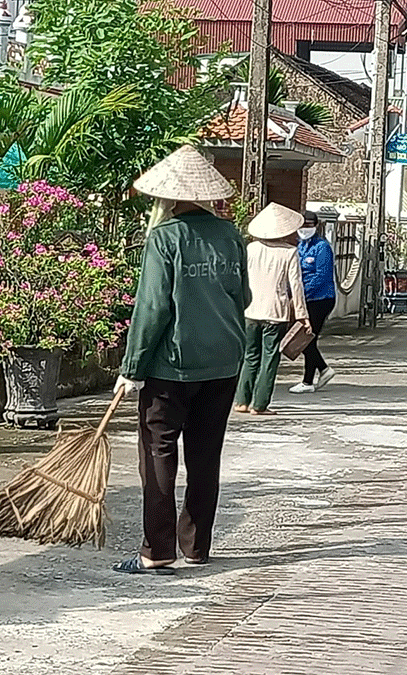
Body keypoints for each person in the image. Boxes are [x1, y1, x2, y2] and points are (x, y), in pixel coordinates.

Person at [111, 145, 250, 575]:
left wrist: (131, 369)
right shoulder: (230, 236)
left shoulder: (165, 238)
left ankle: (157, 550)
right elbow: (242, 296)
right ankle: (197, 547)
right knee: (206, 455)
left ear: (167, 197)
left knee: (158, 452)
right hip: (225, 361)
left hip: (172, 365)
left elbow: (152, 308)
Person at [235, 203, 309, 416]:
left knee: (250, 356)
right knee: (270, 358)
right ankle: (259, 405)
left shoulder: (250, 248)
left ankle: (241, 400)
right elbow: (296, 286)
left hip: (250, 310)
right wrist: (303, 315)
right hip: (275, 313)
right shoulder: (289, 253)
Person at [290, 211, 336, 393]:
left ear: (316, 226)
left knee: (307, 338)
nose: (304, 229)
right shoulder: (299, 246)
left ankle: (308, 381)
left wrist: (300, 293)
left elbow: (321, 277)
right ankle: (323, 370)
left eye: (309, 225)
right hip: (304, 298)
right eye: (302, 226)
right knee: (306, 338)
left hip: (320, 299)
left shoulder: (322, 247)